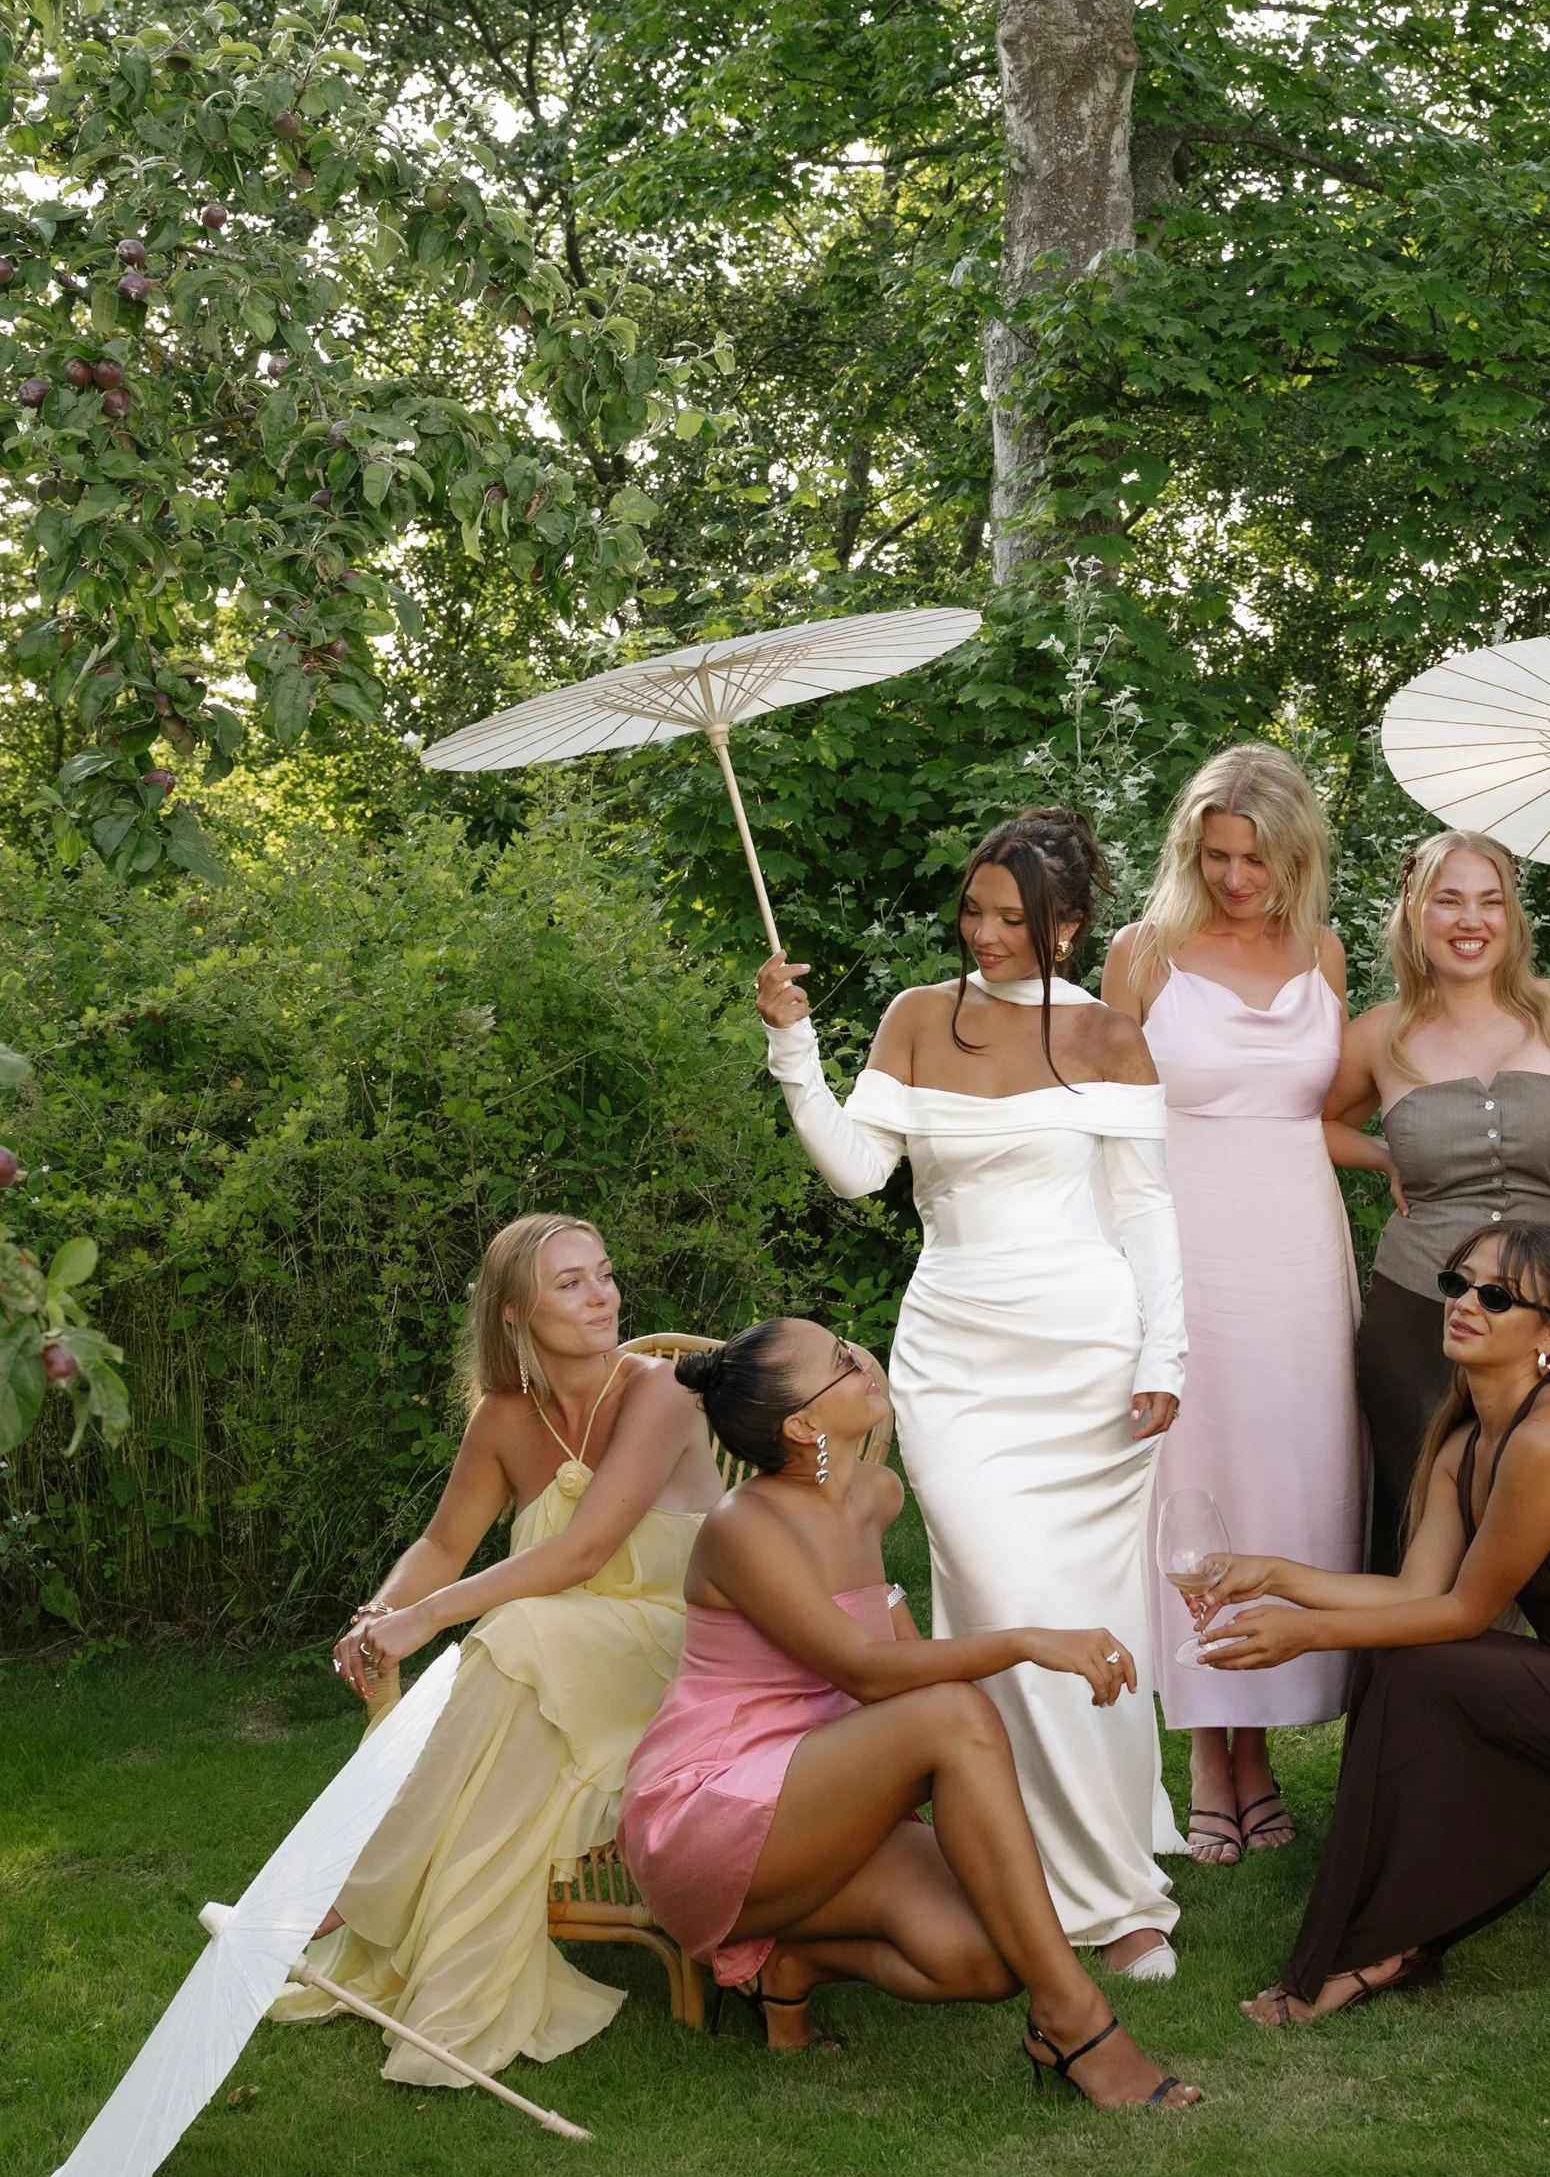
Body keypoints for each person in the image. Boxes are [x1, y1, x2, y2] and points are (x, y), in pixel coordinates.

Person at [756, 807, 1184, 1978]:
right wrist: (794, 1046)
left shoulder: (1108, 1038)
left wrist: (1166, 1359)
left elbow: (1145, 1211)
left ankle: (1106, 1875)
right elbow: (855, 1175)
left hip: (1086, 1358)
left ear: (1070, 923)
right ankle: (1094, 1891)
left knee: (1092, 1616)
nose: (985, 936)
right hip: (953, 1360)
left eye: (1013, 919)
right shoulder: (913, 1018)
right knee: (1000, 1606)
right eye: (974, 912)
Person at [1194, 1219, 1550, 2023]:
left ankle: (1368, 1949)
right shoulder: (1465, 1444)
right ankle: (1383, 1943)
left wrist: (1305, 1633)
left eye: (1497, 1295)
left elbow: (1462, 1613)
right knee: (1399, 1658)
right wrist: (1278, 1577)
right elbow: (1414, 1594)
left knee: (1414, 1665)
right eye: (1458, 1283)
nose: (1465, 1303)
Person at [620, 1319, 1199, 2108]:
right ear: (801, 1425)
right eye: (839, 1363)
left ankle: (788, 1964)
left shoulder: (873, 1494)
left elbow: (886, 1652)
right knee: (951, 1716)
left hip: (819, 1795)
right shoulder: (744, 1527)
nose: (862, 1359)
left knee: (988, 1959)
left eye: (848, 1346)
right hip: (710, 1810)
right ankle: (1078, 2020)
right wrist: (1027, 1642)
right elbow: (863, 1670)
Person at [276, 1214, 720, 2085]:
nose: (602, 1296)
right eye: (570, 1283)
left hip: (673, 1644)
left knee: (510, 1632)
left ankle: (355, 1883)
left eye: (604, 1274)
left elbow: (585, 1553)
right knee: (517, 1644)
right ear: (514, 1314)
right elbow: (443, 1547)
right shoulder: (503, 1420)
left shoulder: (661, 1393)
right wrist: (383, 1611)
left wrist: (429, 1619)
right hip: (556, 1652)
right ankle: (391, 1903)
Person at [1102, 743, 1361, 1868]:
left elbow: (1333, 1108)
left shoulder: (1326, 953)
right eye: (1214, 856)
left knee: (1293, 1480)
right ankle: (1210, 1750)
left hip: (1300, 1248)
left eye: (1254, 859)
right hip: (1182, 1240)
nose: (1234, 879)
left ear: (1293, 853)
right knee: (1197, 1487)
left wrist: (1409, 1157)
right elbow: (1100, 1125)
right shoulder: (1144, 956)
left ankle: (1266, 1738)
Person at [1323, 827, 1550, 1568]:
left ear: (1513, 918)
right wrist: (1385, 1155)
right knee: (1424, 1534)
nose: (1470, 921)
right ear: (1416, 911)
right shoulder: (1378, 1036)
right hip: (1421, 1312)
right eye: (1449, 901)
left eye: (1489, 901)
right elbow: (1315, 1125)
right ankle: (1411, 1681)